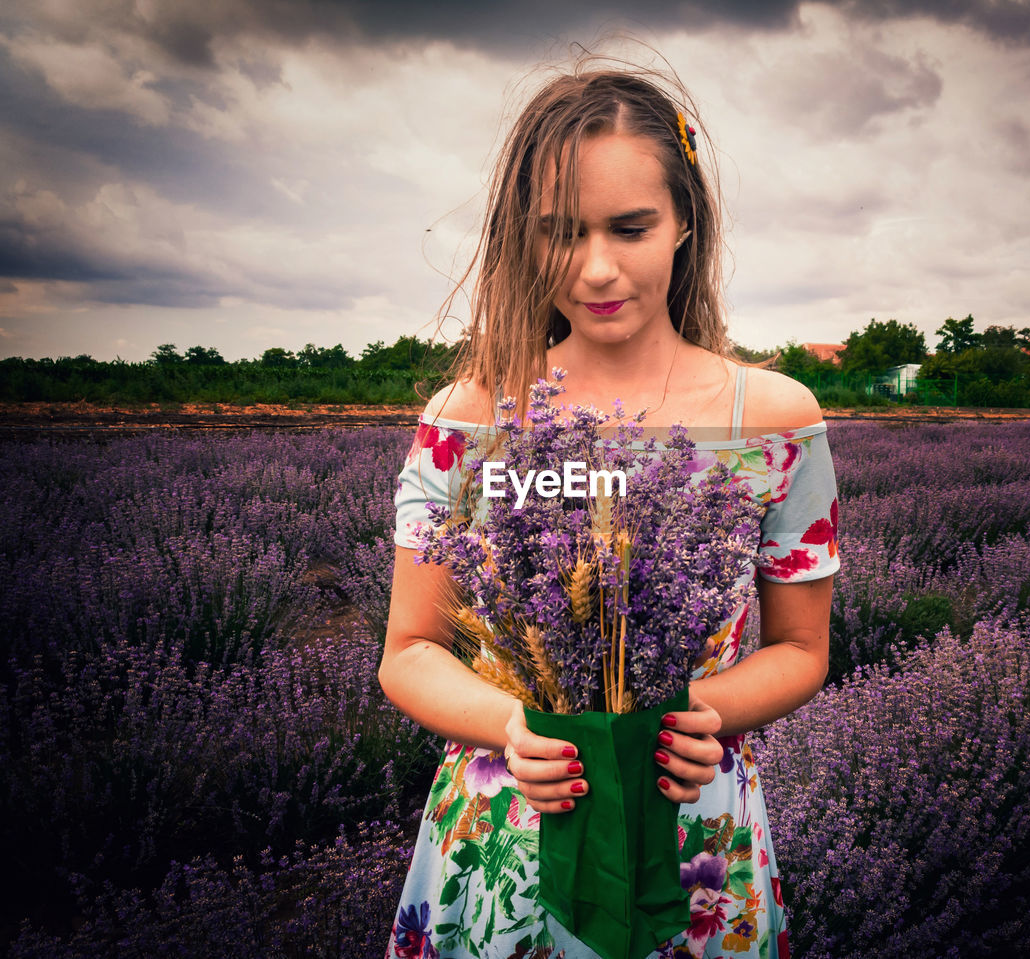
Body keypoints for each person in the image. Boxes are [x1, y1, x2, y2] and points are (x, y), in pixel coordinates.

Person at [379, 54, 837, 959]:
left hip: (692, 828)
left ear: (685, 222)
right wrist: (512, 725)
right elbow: (409, 650)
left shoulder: (776, 421)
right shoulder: (467, 421)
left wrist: (702, 710)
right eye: (558, 232)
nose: (595, 268)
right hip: (511, 821)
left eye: (631, 227)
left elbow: (800, 648)